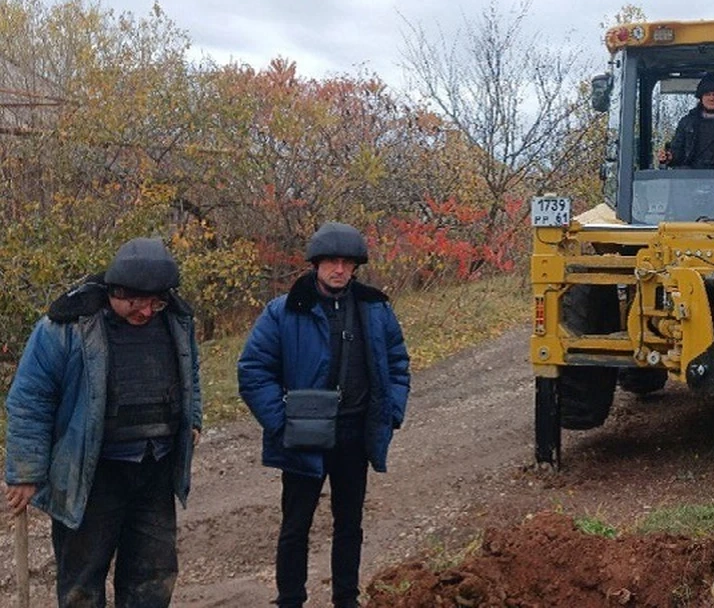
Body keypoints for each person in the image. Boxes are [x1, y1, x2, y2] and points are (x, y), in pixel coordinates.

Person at [3, 237, 202, 607]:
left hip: (155, 468)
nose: (146, 311)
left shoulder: (176, 321)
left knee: (153, 579)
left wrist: (193, 419)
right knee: (82, 584)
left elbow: (190, 372)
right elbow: (31, 398)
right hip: (92, 474)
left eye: (156, 301)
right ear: (116, 290)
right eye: (137, 302)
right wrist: (27, 470)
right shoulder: (67, 325)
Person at [238, 221, 411, 608]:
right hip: (303, 437)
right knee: (295, 527)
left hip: (355, 434)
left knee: (349, 526)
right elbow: (253, 370)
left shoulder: (375, 308)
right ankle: (290, 599)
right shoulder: (284, 311)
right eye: (332, 261)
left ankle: (346, 598)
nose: (339, 269)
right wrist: (282, 423)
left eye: (348, 263)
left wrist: (391, 412)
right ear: (316, 264)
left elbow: (398, 363)